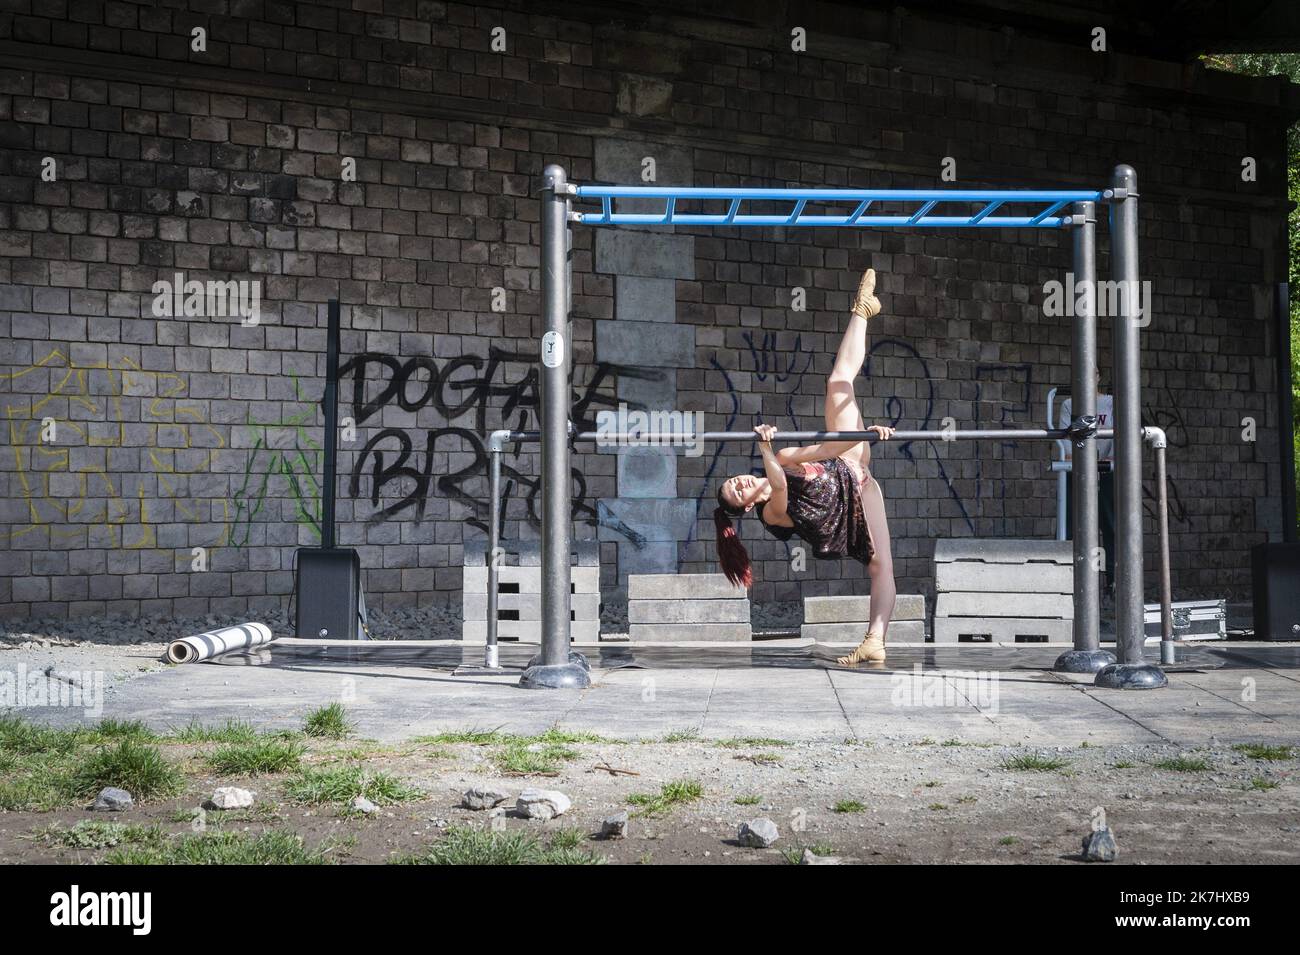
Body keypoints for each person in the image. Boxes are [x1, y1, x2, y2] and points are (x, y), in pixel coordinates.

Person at [713, 269, 897, 666]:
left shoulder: (781, 459)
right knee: (881, 564)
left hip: (852, 469)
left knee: (837, 382)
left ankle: (875, 640)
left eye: (734, 480)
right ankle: (875, 641)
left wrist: (862, 438)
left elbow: (822, 449)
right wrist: (766, 450)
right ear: (746, 507)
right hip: (849, 504)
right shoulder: (770, 514)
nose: (742, 483)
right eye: (738, 491)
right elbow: (778, 487)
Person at [1059, 370, 1116, 591]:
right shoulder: (1069, 404)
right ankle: (1073, 582)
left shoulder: (1111, 402)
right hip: (1078, 471)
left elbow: (1119, 436)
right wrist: (1078, 460)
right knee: (1074, 527)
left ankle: (1112, 581)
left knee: (1110, 525)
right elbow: (1066, 445)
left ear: (1098, 377)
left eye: (1091, 375)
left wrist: (1110, 459)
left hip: (1107, 471)